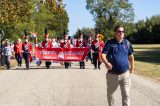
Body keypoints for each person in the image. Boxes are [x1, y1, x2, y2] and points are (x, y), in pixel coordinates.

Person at [101, 25, 134, 106]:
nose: (121, 33)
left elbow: (131, 57)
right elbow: (103, 55)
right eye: (119, 31)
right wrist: (106, 63)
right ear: (115, 33)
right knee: (110, 94)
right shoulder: (110, 43)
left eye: (122, 31)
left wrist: (132, 68)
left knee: (126, 95)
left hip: (125, 74)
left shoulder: (127, 43)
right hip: (112, 75)